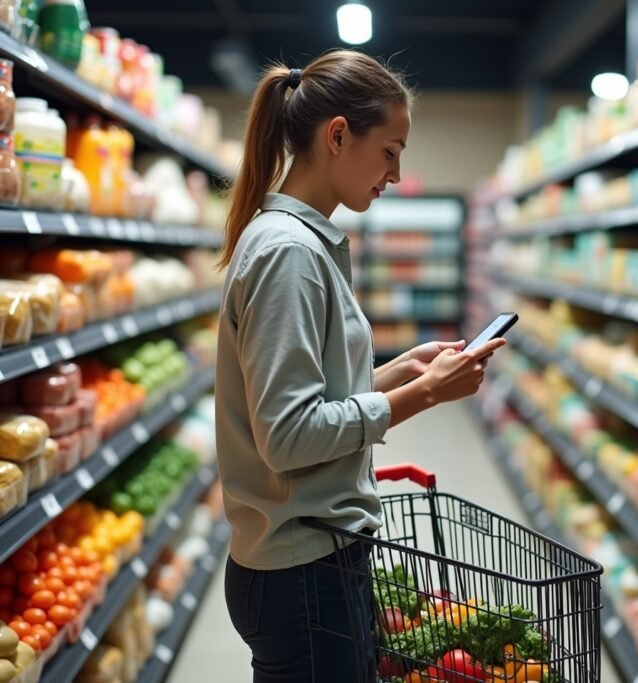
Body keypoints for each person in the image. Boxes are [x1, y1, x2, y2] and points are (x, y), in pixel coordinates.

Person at [214, 49, 506, 683]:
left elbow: (305, 402)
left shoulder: (298, 242)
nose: (396, 174)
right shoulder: (289, 253)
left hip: (308, 562)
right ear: (338, 135)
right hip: (301, 573)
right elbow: (289, 437)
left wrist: (399, 372)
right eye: (390, 151)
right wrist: (423, 396)